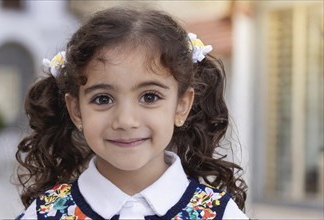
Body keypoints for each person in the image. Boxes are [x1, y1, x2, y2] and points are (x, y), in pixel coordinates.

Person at [15, 7, 248, 219]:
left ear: (181, 106)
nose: (126, 121)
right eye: (103, 99)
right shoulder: (43, 214)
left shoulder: (221, 214)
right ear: (76, 110)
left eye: (150, 97)